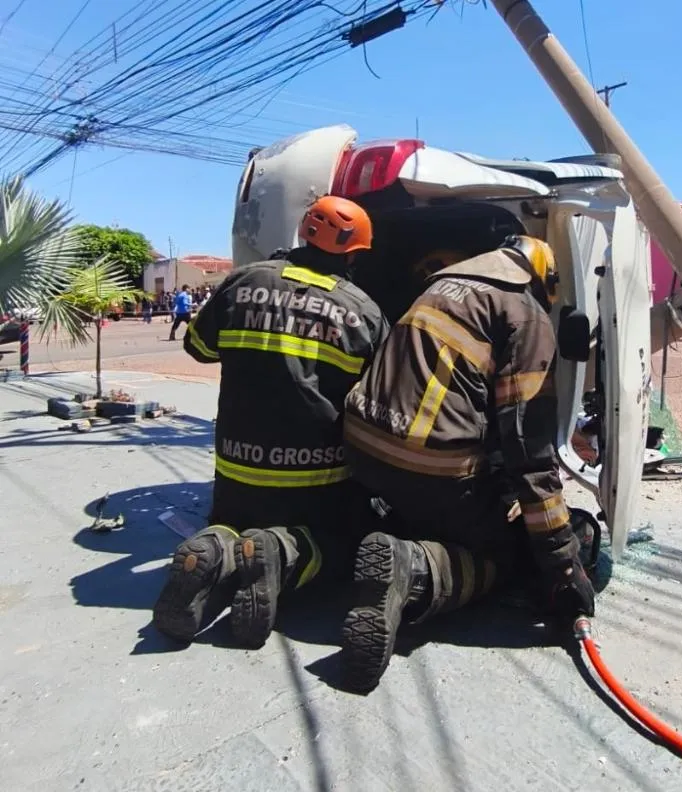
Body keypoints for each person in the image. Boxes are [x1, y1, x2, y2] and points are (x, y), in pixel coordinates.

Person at [337, 234, 596, 692]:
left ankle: (399, 536)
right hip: (430, 466)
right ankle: (414, 569)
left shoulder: (439, 288)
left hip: (362, 451)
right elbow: (528, 448)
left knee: (438, 507)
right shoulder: (525, 313)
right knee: (506, 552)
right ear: (542, 280)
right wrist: (559, 561)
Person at [152, 196, 389, 648]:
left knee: (232, 524)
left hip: (238, 468)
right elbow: (379, 398)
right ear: (353, 254)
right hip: (317, 478)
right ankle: (282, 552)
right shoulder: (365, 312)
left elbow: (198, 348)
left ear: (303, 233)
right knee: (344, 541)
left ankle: (217, 546)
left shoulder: (244, 280)